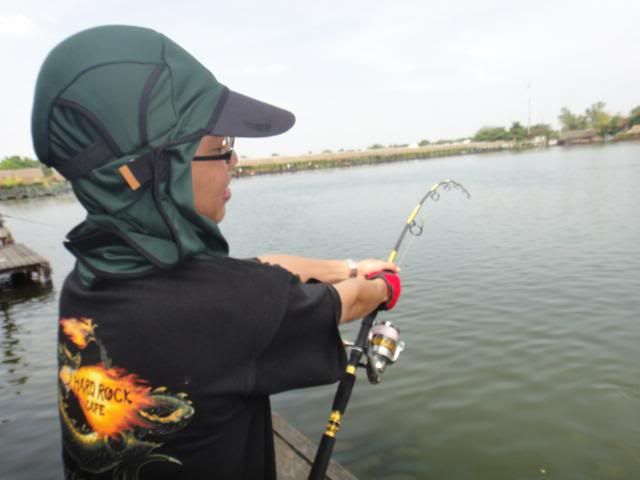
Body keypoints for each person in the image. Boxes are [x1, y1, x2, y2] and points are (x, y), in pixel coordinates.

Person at [32, 25, 401, 480]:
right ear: (153, 168)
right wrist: (386, 285)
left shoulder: (89, 279)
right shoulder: (231, 304)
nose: (234, 161)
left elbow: (257, 270)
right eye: (220, 147)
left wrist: (348, 266)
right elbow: (351, 301)